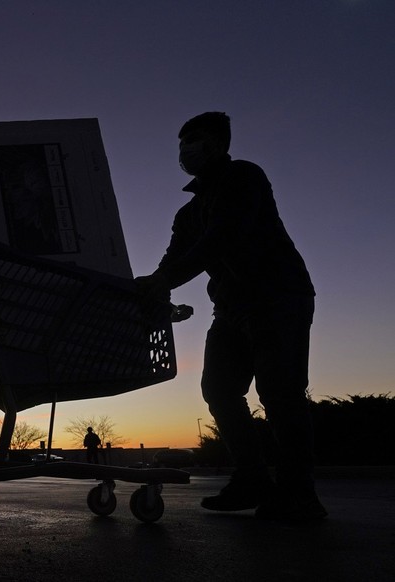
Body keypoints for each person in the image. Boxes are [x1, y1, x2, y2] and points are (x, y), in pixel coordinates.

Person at [135, 112, 326, 521]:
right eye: (182, 143)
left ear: (219, 144)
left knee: (281, 394)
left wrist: (165, 278)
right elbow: (176, 256)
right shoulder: (187, 213)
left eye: (196, 140)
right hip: (231, 307)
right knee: (219, 390)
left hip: (279, 297)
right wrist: (155, 285)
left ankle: (299, 494)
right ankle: (253, 478)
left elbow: (220, 237)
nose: (187, 150)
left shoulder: (244, 177)